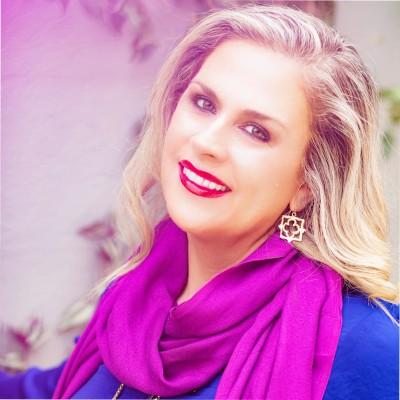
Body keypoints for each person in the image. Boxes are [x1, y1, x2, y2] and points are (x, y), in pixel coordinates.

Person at [1, 4, 399, 400]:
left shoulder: (367, 347)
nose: (206, 141)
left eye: (255, 131)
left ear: (307, 183)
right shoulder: (132, 296)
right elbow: (50, 390)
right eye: (204, 103)